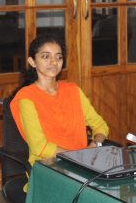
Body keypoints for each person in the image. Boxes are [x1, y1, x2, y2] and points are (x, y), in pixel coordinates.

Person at [10, 34, 109, 180]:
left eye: (58, 57)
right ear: (32, 62)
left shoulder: (73, 90)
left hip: (82, 163)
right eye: (45, 56)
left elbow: (100, 125)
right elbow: (40, 146)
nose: (54, 62)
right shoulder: (26, 98)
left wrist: (96, 144)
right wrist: (76, 157)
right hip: (48, 166)